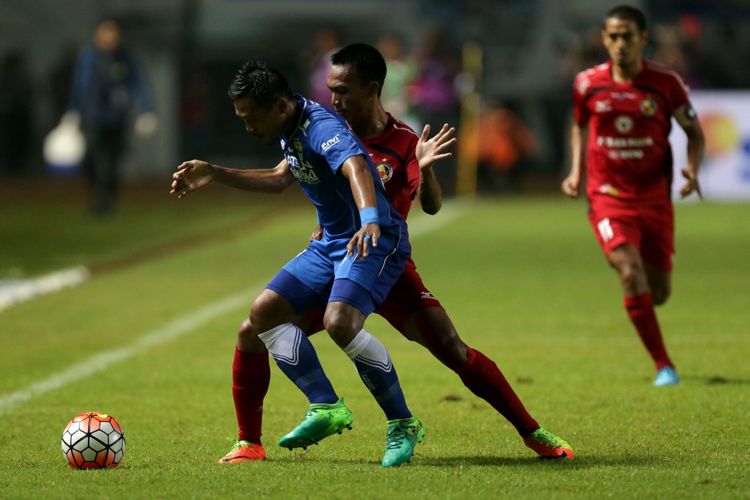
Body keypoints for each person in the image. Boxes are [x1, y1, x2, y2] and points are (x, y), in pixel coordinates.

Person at [219, 43, 574, 465]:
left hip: (386, 264)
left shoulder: (402, 140)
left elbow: (432, 206)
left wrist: (424, 170)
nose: (334, 99)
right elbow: (288, 175)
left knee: (452, 349)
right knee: (254, 328)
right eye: (332, 90)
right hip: (339, 260)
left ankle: (533, 431)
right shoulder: (321, 125)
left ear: (372, 89)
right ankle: (250, 442)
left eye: (344, 90)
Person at [171, 60, 424, 467]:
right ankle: (325, 406)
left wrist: (371, 219)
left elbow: (356, 167)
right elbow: (277, 179)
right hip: (332, 241)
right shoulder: (292, 122)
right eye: (242, 119)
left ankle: (402, 424)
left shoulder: (321, 128)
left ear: (279, 106)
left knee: (340, 322)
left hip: (372, 239)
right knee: (262, 315)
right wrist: (215, 173)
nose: (248, 127)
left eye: (252, 118)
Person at [561, 5, 705, 387]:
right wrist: (577, 170)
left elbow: (695, 132)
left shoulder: (666, 83)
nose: (620, 43)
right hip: (608, 197)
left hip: (655, 199)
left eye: (627, 36)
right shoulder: (587, 83)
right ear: (605, 39)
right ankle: (664, 365)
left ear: (643, 37)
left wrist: (693, 168)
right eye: (613, 36)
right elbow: (578, 126)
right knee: (629, 270)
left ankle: (646, 314)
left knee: (658, 293)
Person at [67, 18, 157, 214]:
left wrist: (146, 111)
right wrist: (72, 111)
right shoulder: (88, 58)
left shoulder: (125, 59)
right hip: (93, 117)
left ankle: (107, 201)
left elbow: (138, 84)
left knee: (112, 161)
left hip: (117, 117)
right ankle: (97, 196)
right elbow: (79, 86)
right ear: (98, 37)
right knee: (93, 159)